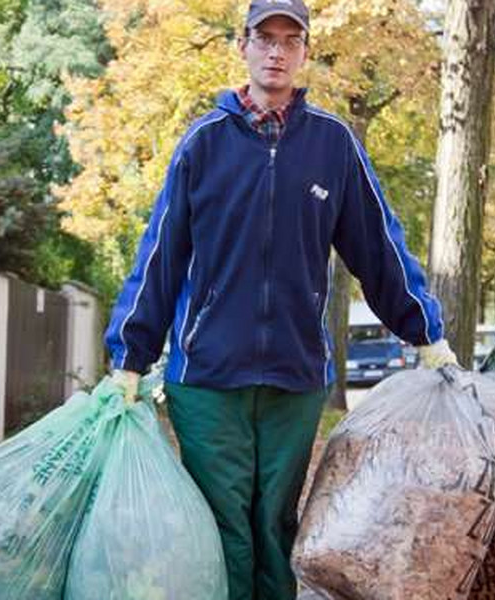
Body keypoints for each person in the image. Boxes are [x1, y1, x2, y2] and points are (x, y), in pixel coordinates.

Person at [104, 0, 457, 597]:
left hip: (296, 376)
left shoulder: (333, 145)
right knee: (224, 526)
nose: (276, 51)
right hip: (208, 377)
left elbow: (379, 246)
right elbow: (159, 255)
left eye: (289, 40)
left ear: (304, 53)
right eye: (264, 38)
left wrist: (426, 332)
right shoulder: (204, 143)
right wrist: (129, 359)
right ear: (242, 46)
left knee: (274, 525)